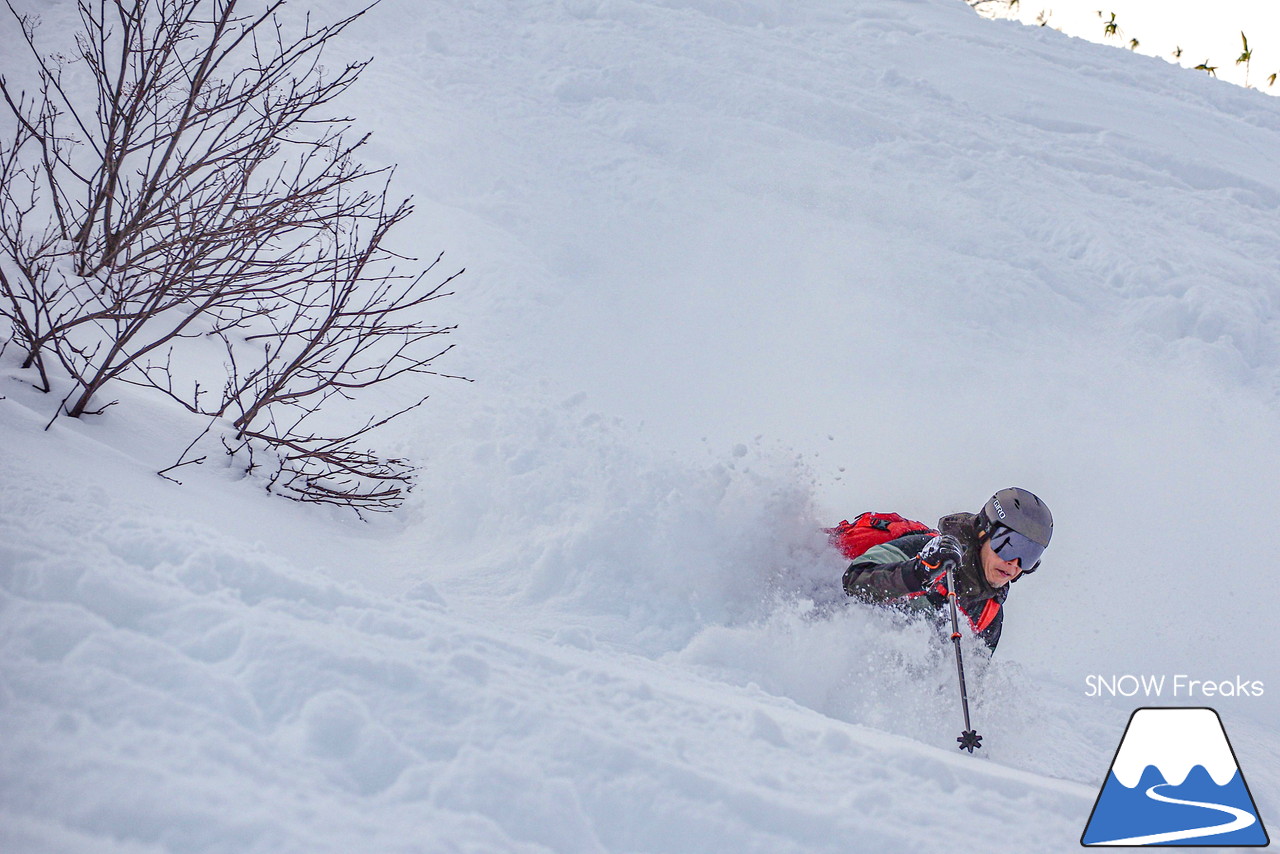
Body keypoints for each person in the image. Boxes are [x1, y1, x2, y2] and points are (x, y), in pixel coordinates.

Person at [841, 487, 1052, 652]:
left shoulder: (989, 614)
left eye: (1029, 555)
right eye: (1008, 545)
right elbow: (854, 581)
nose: (1014, 562)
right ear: (983, 534)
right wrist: (919, 571)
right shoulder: (927, 551)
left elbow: (971, 681)